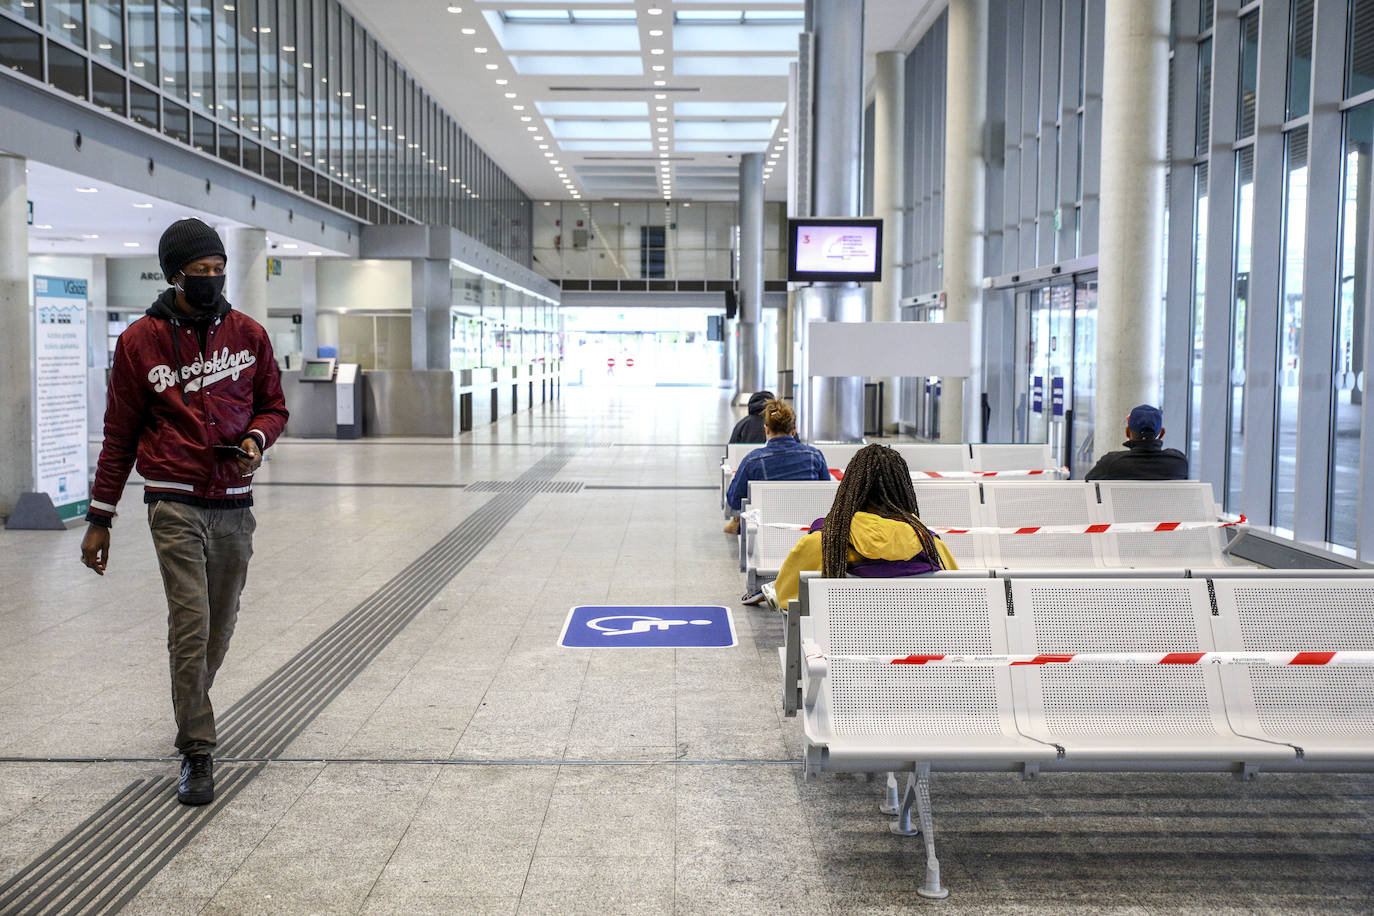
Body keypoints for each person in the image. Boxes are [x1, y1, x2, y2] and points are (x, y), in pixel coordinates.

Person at [79, 218, 289, 806]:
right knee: (190, 624)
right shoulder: (139, 341)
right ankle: (197, 750)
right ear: (175, 274)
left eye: (218, 270)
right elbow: (119, 433)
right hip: (171, 500)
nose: (212, 280)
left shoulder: (247, 334)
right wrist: (101, 517)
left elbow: (273, 405)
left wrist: (256, 439)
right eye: (200, 272)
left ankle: (192, 699)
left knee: (218, 629)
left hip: (233, 501)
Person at [763, 444, 958, 609]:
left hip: (838, 648)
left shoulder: (823, 545)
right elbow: (958, 599)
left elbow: (784, 599)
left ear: (849, 488)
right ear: (903, 489)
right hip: (919, 650)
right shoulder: (932, 547)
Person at [723, 399, 828, 535]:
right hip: (807, 534)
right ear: (794, 430)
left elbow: (734, 501)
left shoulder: (752, 461)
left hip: (765, 536)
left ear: (766, 429)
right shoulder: (814, 456)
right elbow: (826, 494)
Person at [1083, 404, 1189, 481]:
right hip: (1166, 512)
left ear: (1128, 432)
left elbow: (1088, 485)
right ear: (1161, 433)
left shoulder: (1111, 464)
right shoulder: (1178, 462)